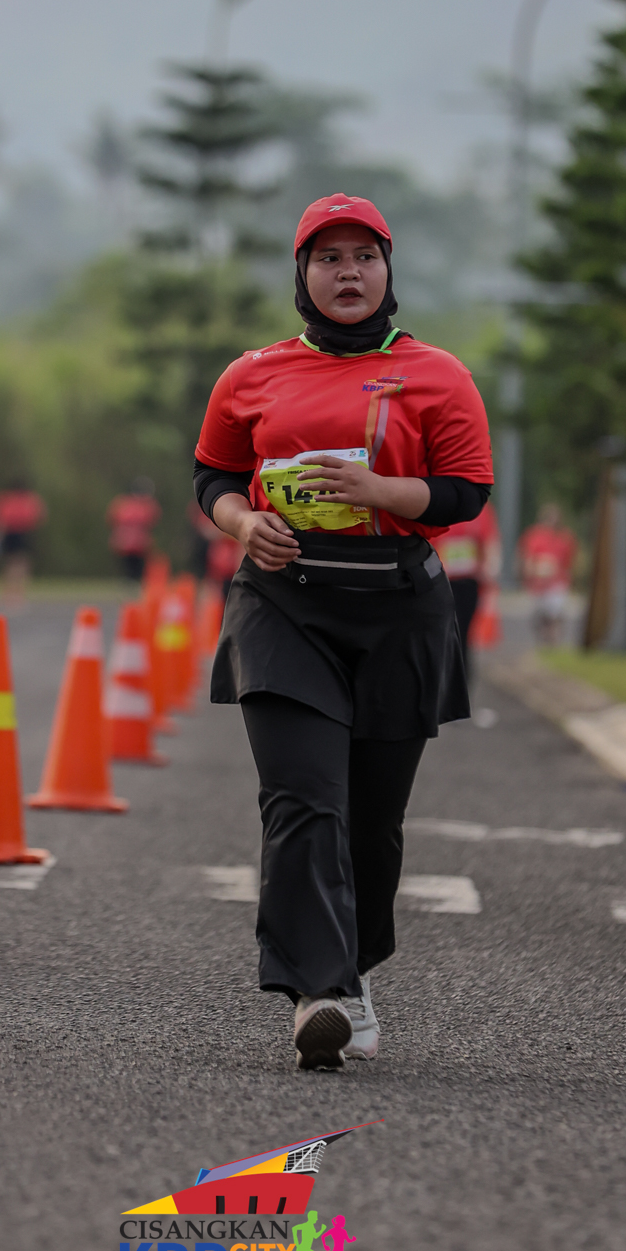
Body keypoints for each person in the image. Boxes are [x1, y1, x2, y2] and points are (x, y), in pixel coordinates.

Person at [194, 193, 493, 1072]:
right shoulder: (252, 374)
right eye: (328, 258)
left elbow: (466, 491)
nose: (348, 272)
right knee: (302, 799)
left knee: (371, 822)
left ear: (389, 270)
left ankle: (352, 972)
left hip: (398, 609)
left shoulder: (438, 374)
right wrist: (243, 524)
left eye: (365, 255)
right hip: (283, 603)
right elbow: (213, 473)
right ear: (303, 275)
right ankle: (317, 993)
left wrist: (381, 494)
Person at [439, 500, 502, 672]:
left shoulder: (481, 508)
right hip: (440, 582)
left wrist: (491, 572)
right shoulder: (438, 502)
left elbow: (490, 541)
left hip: (468, 583)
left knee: (462, 633)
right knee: (443, 632)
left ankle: (462, 675)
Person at [518, 503, 578, 646]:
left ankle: (553, 637)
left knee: (555, 612)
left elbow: (569, 562)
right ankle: (544, 635)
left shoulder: (565, 537)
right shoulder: (534, 535)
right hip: (538, 583)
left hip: (557, 582)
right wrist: (531, 574)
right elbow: (527, 559)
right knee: (542, 614)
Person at [0, 480, 47, 601]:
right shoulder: (29, 499)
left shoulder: (5, 499)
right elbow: (42, 515)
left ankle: (8, 593)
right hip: (23, 532)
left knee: (10, 563)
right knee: (21, 563)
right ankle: (18, 592)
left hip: (10, 533)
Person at [106, 478, 161, 583]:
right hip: (132, 542)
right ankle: (131, 580)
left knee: (135, 564)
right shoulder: (142, 505)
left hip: (132, 542)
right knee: (131, 564)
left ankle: (133, 580)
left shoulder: (122, 503)